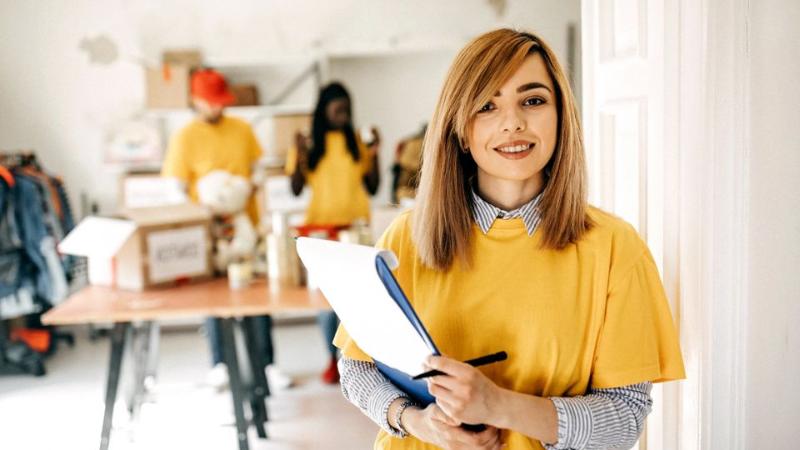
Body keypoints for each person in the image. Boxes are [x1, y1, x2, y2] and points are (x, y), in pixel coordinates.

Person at [333, 29, 685, 450]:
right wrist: (417, 421)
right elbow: (356, 367)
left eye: (532, 101)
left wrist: (497, 405)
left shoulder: (615, 249)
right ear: (460, 130)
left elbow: (624, 419)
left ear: (560, 116)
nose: (512, 122)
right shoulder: (405, 238)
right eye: (486, 106)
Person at [162, 68, 292, 391]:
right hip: (210, 231)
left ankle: (266, 365)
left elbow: (258, 167)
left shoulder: (242, 129)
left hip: (246, 224)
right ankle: (220, 363)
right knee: (214, 297)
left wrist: (249, 186)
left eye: (222, 103)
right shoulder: (185, 137)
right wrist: (200, 210)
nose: (219, 109)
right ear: (196, 101)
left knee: (257, 295)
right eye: (212, 103)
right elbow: (174, 186)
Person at [286, 82, 381, 383]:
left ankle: (356, 358)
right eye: (337, 107)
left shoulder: (357, 142)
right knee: (327, 302)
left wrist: (375, 153)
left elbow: (374, 186)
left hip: (355, 231)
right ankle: (332, 358)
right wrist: (299, 153)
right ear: (323, 110)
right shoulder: (311, 144)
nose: (343, 112)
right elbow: (295, 188)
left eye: (346, 107)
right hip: (322, 232)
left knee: (356, 299)